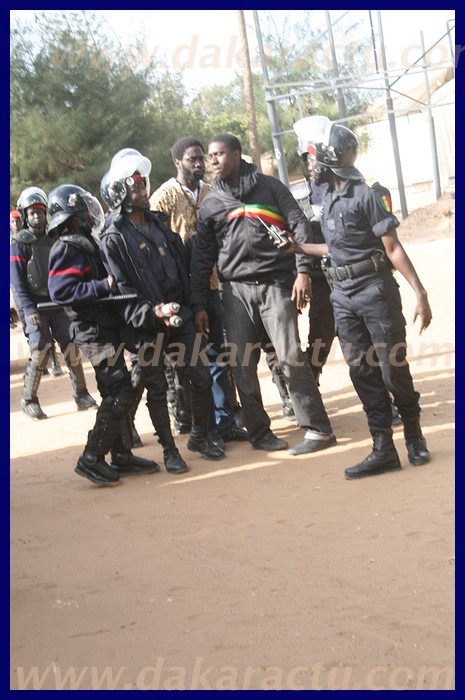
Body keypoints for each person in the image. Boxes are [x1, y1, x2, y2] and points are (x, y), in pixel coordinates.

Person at [279, 115, 431, 478]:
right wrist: (298, 247)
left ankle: (413, 436)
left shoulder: (368, 194)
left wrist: (420, 294)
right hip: (341, 295)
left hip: (375, 292)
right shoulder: (327, 198)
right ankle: (383, 448)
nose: (308, 165)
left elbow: (392, 247)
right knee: (362, 372)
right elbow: (335, 246)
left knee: (392, 368)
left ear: (329, 156)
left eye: (312, 157)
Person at [190, 133, 336, 455]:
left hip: (275, 285)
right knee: (242, 363)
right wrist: (199, 303)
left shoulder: (270, 188)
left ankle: (317, 428)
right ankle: (259, 432)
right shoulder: (212, 202)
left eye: (219, 154)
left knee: (290, 357)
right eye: (209, 155)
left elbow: (299, 226)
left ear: (237, 154)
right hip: (235, 292)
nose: (212, 160)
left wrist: (301, 272)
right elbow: (202, 257)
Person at [99, 148, 225, 474]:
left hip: (179, 313)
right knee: (156, 387)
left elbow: (182, 270)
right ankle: (169, 449)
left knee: (199, 373)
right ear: (120, 194)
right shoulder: (113, 237)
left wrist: (193, 308)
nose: (144, 192)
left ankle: (200, 434)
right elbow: (122, 289)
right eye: (136, 187)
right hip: (144, 323)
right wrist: (152, 312)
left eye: (144, 185)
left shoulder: (160, 224)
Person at [46, 184, 160, 484]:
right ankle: (92, 457)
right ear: (72, 215)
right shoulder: (67, 246)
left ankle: (120, 455)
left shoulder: (84, 242)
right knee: (120, 388)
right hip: (91, 331)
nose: (88, 213)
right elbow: (60, 291)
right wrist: (102, 287)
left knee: (118, 389)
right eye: (82, 208)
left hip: (105, 328)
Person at [150, 135, 248, 445]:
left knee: (218, 354)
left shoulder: (211, 191)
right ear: (177, 162)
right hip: (181, 291)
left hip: (212, 284)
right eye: (191, 159)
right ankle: (198, 425)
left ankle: (223, 420)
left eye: (200, 158)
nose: (198, 164)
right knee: (193, 361)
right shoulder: (162, 198)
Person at [10, 186, 97, 419]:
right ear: (25, 214)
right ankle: (29, 399)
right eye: (32, 213)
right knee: (41, 349)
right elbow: (17, 282)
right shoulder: (19, 243)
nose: (37, 216)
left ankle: (81, 393)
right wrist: (28, 309)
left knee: (71, 345)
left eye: (40, 211)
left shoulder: (54, 236)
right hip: (35, 305)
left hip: (58, 302)